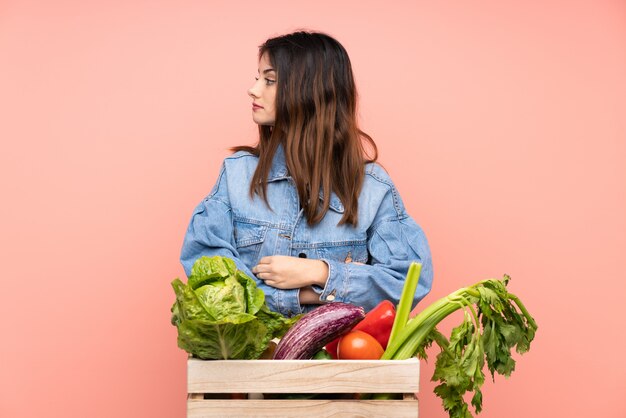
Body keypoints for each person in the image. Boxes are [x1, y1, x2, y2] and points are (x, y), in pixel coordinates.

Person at [180, 30, 433, 317]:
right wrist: (304, 295)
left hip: (341, 360)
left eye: (270, 80)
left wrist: (320, 271)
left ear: (309, 92)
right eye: (257, 78)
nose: (253, 90)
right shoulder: (237, 174)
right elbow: (204, 265)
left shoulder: (372, 188)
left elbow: (408, 283)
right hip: (253, 360)